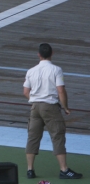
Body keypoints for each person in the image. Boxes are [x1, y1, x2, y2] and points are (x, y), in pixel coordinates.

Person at [24, 43, 83, 180]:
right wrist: (66, 107)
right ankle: (64, 170)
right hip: (50, 106)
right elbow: (60, 90)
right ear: (52, 53)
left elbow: (26, 91)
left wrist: (34, 100)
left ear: (39, 54)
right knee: (58, 136)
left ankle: (30, 170)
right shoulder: (56, 70)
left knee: (33, 137)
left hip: (35, 107)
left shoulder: (31, 71)